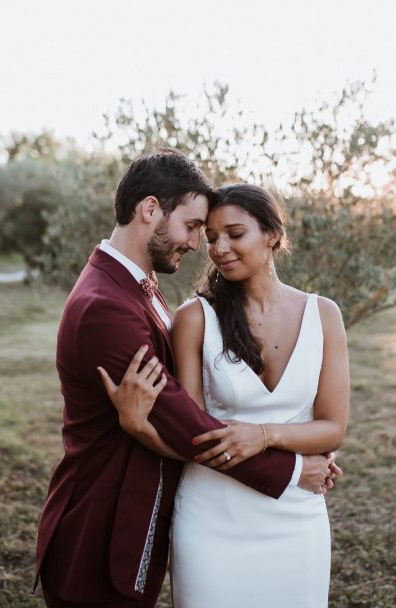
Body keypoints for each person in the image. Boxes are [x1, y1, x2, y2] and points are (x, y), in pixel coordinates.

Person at [35, 150, 336, 608]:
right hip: (99, 528)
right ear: (150, 209)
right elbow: (188, 424)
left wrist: (142, 425)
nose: (201, 246)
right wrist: (293, 468)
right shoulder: (106, 307)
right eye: (195, 227)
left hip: (141, 517)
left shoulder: (136, 287)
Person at [101, 183, 349, 607]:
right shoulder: (195, 318)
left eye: (235, 234)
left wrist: (266, 434)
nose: (219, 248)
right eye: (212, 238)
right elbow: (193, 439)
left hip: (297, 518)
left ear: (272, 234)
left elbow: (332, 429)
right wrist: (137, 426)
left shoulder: (323, 314)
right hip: (211, 518)